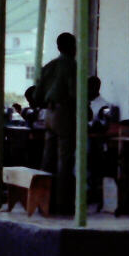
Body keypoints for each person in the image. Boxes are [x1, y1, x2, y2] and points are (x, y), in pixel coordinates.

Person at [39, 33, 77, 183]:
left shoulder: (49, 66)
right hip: (64, 112)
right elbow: (75, 93)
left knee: (47, 157)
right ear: (72, 47)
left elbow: (37, 95)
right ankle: (62, 200)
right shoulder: (71, 65)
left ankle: (43, 199)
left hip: (49, 113)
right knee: (65, 159)